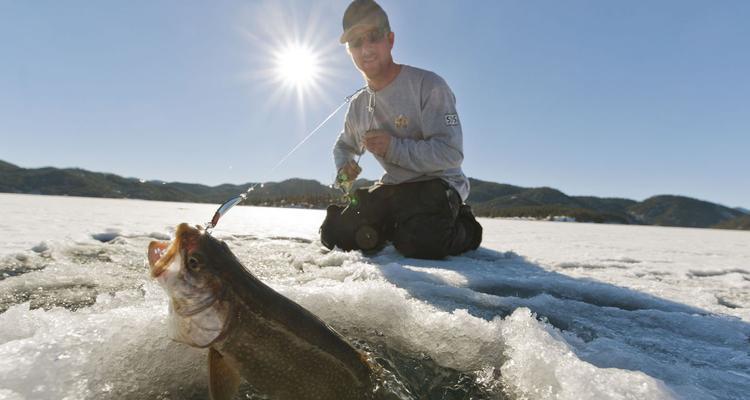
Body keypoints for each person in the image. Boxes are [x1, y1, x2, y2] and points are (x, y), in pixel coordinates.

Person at [320, 0, 482, 259]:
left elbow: (451, 153)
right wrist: (344, 173)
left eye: (373, 37)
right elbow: (344, 146)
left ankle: (465, 225)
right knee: (335, 233)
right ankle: (395, 227)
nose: (366, 49)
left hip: (438, 185)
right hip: (394, 189)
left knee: (421, 242)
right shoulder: (359, 105)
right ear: (349, 51)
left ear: (390, 39)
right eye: (356, 43)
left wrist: (393, 148)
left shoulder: (428, 85)